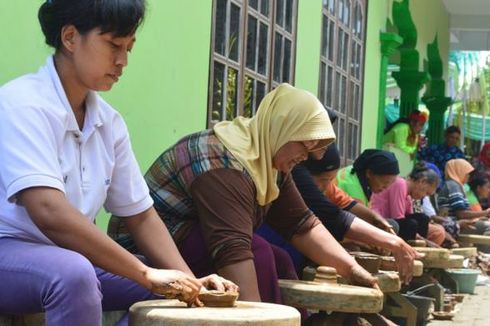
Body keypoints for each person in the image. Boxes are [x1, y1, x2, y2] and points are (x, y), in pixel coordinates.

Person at [0, 1, 236, 325]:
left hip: (70, 259)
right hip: (9, 250)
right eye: (114, 45)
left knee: (175, 293)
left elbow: (141, 217)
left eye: (129, 48)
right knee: (75, 275)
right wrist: (145, 273)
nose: (123, 60)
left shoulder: (109, 123)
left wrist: (188, 281)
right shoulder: (22, 103)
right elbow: (48, 211)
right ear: (70, 38)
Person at [110, 83, 379, 302]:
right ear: (281, 129)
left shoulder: (267, 159)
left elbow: (301, 224)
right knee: (259, 252)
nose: (307, 157)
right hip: (144, 245)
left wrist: (351, 269)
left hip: (193, 235)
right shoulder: (224, 164)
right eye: (304, 146)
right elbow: (232, 250)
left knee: (282, 259)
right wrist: (258, 319)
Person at [290, 144, 420, 283]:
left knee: (390, 226)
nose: (327, 184)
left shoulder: (329, 185)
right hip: (300, 234)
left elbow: (348, 204)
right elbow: (335, 219)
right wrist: (390, 242)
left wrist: (377, 220)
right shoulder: (299, 181)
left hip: (322, 226)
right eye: (324, 179)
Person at [370, 165, 445, 246]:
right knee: (411, 224)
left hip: (394, 220)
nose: (424, 197)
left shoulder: (409, 196)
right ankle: (404, 248)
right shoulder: (400, 184)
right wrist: (424, 240)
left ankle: (418, 247)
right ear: (422, 181)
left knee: (423, 218)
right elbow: (398, 217)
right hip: (381, 220)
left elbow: (410, 217)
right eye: (426, 193)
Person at [438, 159, 490, 251]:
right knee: (488, 226)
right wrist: (485, 213)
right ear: (459, 171)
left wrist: (480, 216)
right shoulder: (453, 185)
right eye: (466, 173)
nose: (468, 176)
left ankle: (481, 253)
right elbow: (461, 214)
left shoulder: (455, 185)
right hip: (455, 225)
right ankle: (485, 254)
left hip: (458, 223)